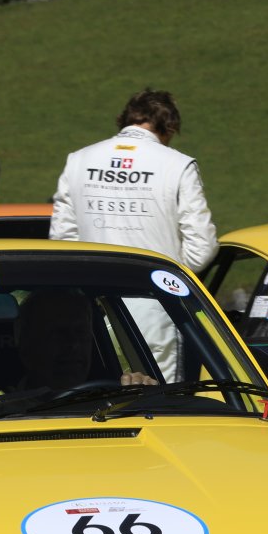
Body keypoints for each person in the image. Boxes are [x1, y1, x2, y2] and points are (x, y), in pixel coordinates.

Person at [50, 89, 217, 381]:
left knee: (93, 398)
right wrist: (167, 279)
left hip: (90, 309)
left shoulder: (79, 160)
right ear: (170, 128)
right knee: (159, 398)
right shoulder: (178, 164)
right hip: (155, 307)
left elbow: (63, 239)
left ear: (124, 119)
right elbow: (202, 247)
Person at [11, 290, 156, 393]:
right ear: (26, 344)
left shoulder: (116, 402)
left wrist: (143, 393)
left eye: (81, 333)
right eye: (59, 334)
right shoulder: (0, 411)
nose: (74, 344)